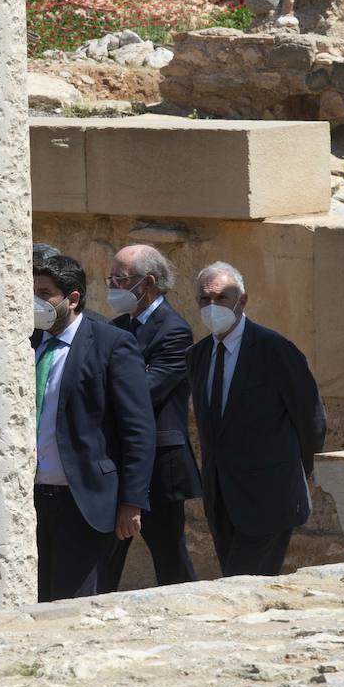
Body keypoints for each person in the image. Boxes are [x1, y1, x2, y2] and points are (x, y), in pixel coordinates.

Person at [186, 261, 326, 577]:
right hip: (221, 500)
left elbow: (311, 420)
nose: (212, 305)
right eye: (205, 299)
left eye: (221, 297)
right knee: (235, 582)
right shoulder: (197, 356)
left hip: (269, 498)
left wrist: (294, 474)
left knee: (241, 581)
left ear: (242, 300)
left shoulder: (274, 350)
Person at [31, 253, 155, 601]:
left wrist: (131, 502)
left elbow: (138, 429)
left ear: (72, 299)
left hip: (85, 502)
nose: (34, 301)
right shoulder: (26, 343)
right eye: (30, 291)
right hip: (32, 501)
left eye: (44, 293)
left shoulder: (111, 343)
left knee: (73, 602)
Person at [99, 245, 201, 591]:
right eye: (111, 278)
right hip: (117, 459)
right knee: (104, 558)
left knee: (170, 559)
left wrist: (108, 384)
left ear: (149, 282)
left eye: (121, 279)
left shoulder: (173, 330)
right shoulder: (117, 327)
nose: (113, 286)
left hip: (159, 465)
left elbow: (142, 393)